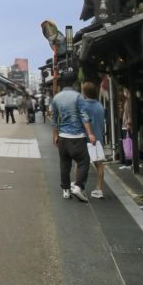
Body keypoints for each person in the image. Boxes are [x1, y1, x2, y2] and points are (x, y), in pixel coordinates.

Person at [50, 71, 97, 202]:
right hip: (77, 136)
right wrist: (90, 134)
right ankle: (78, 186)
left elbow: (54, 119)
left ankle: (66, 190)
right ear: (74, 82)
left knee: (64, 164)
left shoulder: (57, 98)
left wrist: (55, 135)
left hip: (63, 137)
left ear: (63, 82)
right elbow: (84, 116)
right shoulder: (78, 97)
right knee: (83, 162)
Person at [80, 81, 106, 198]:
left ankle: (79, 186)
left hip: (85, 137)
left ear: (85, 92)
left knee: (80, 163)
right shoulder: (100, 106)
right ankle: (99, 189)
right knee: (99, 164)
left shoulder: (83, 105)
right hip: (99, 137)